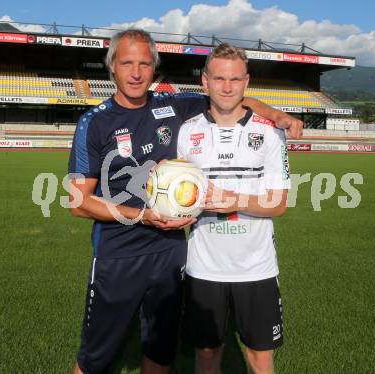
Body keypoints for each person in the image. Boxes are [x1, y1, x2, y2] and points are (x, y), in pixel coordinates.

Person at [68, 29, 301, 374]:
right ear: (112, 66)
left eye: (144, 64)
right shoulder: (94, 122)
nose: (136, 72)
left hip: (173, 251)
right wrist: (143, 216)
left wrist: (279, 116)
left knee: (161, 353)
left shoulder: (172, 106)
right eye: (127, 63)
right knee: (96, 358)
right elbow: (78, 202)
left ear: (154, 69)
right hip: (119, 253)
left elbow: (233, 98)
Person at [178, 43, 291, 374]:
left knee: (259, 357)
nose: (227, 87)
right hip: (204, 267)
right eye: (219, 79)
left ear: (246, 82)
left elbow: (279, 204)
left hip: (256, 268)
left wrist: (235, 200)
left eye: (235, 79)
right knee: (208, 353)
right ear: (205, 81)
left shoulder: (270, 133)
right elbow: (178, 193)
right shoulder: (187, 133)